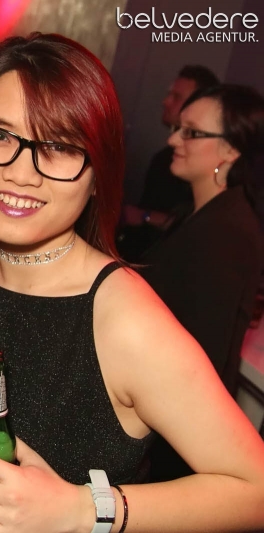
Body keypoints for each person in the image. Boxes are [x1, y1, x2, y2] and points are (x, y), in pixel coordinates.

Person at [0, 33, 264, 532]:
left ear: (99, 172)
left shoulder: (124, 322)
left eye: (58, 145)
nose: (21, 173)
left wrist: (84, 509)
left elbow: (255, 488)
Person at [142, 84, 264, 482]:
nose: (173, 139)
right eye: (178, 128)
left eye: (191, 132)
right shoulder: (202, 213)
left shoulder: (227, 231)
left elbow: (204, 355)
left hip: (178, 434)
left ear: (230, 149)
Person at [118, 65, 220, 261]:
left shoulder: (200, 166)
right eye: (169, 94)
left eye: (176, 97)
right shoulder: (163, 158)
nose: (165, 102)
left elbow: (198, 226)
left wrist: (145, 216)